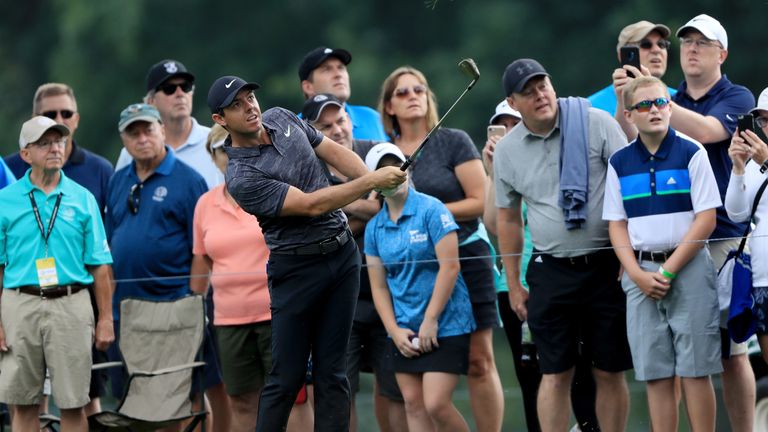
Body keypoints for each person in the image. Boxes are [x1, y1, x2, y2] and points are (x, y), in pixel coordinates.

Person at [207, 75, 406, 432]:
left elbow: (333, 152)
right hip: (296, 270)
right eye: (236, 105)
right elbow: (311, 205)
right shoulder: (241, 176)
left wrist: (376, 186)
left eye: (250, 97)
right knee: (287, 378)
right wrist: (371, 181)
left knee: (334, 373)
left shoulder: (282, 117)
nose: (249, 107)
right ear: (220, 119)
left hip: (342, 257)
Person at [616, 14, 757, 430]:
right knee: (675, 359)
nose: (692, 49)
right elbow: (634, 144)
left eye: (703, 43)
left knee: (731, 353)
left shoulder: (737, 97)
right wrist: (635, 101)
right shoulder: (670, 96)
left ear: (722, 54)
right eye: (687, 42)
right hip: (671, 237)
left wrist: (653, 100)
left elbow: (709, 132)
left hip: (724, 237)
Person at [494, 58, 632, 432]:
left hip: (607, 264)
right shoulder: (507, 150)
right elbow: (508, 219)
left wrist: (629, 256)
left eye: (543, 85)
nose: (539, 95)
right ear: (513, 103)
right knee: (554, 372)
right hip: (551, 269)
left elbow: (628, 187)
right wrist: (514, 283)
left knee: (609, 369)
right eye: (528, 92)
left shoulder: (596, 123)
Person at [378, 65, 504, 432]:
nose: (413, 96)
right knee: (423, 378)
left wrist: (427, 213)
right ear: (389, 106)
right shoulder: (383, 153)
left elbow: (478, 201)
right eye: (402, 92)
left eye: (419, 89)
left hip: (467, 253)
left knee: (479, 360)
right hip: (414, 269)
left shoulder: (453, 141)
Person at [604, 76, 723, 432]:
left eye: (660, 103)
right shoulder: (620, 162)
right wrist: (636, 273)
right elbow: (617, 225)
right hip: (640, 272)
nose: (654, 110)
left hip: (688, 268)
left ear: (670, 107)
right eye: (644, 105)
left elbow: (706, 219)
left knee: (696, 370)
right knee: (655, 374)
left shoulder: (692, 151)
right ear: (629, 114)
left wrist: (668, 270)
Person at [105, 103, 224, 431]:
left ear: (161, 130)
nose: (142, 138)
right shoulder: (118, 181)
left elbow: (201, 251)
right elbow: (110, 247)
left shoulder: (188, 180)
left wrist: (192, 303)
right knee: (136, 401)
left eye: (148, 130)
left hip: (173, 308)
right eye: (133, 133)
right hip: (128, 311)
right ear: (124, 140)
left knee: (181, 400)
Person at [483, 101, 600, 432]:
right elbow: (493, 224)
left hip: (558, 278)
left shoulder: (551, 160)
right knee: (530, 379)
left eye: (514, 124)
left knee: (579, 373)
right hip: (514, 285)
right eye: (502, 126)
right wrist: (493, 172)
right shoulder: (501, 167)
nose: (508, 132)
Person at [190, 124, 312, 432]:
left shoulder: (273, 190)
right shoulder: (205, 205)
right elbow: (202, 262)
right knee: (242, 401)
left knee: (293, 397)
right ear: (213, 158)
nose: (229, 153)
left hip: (278, 313)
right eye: (222, 148)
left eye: (234, 144)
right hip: (229, 320)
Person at [3, 82, 114, 418]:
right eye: (44, 143)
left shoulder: (83, 198)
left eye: (59, 141)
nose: (55, 148)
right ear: (26, 154)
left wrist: (106, 319)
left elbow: (100, 265)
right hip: (19, 303)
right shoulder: (4, 200)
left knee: (74, 404)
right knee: (24, 407)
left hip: (72, 303)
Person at [301, 93, 407, 432]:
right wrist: (365, 204)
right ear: (311, 134)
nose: (337, 130)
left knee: (397, 392)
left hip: (391, 296)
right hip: (333, 300)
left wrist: (331, 202)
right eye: (325, 126)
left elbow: (396, 209)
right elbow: (312, 225)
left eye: (341, 120)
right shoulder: (303, 170)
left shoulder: (378, 152)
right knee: (337, 394)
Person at [364, 142, 475, 432]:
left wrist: (430, 320)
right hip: (404, 328)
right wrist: (393, 330)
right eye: (384, 170)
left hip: (446, 322)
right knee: (413, 404)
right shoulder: (374, 228)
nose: (394, 173)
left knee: (436, 403)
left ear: (408, 169)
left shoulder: (432, 209)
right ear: (374, 182)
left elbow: (450, 267)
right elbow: (379, 287)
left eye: (398, 165)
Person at [116, 59, 222, 189]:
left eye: (186, 87)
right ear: (151, 101)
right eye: (169, 89)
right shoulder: (133, 152)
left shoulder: (216, 143)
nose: (180, 94)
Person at [726, 87, 768, 366]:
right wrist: (739, 167)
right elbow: (736, 214)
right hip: (763, 278)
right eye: (762, 120)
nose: (765, 126)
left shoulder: (763, 160)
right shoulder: (755, 164)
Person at [588, 20, 676, 117]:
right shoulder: (592, 106)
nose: (657, 50)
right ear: (622, 55)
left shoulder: (680, 99)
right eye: (645, 44)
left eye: (662, 44)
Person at [299, 46, 388, 141]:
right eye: (327, 69)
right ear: (308, 87)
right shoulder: (294, 128)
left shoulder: (373, 118)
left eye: (341, 68)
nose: (338, 74)